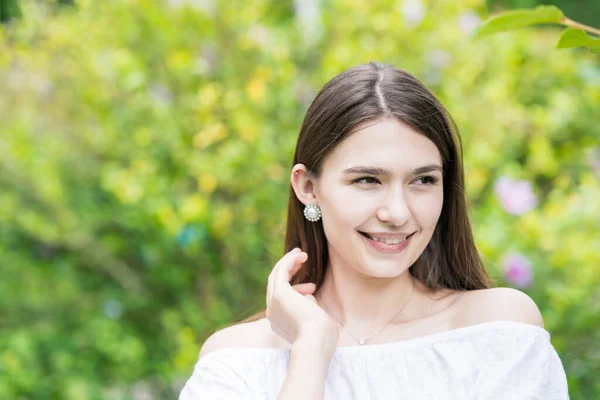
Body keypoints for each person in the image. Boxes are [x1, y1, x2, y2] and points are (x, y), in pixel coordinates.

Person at [179, 62, 570, 399]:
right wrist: (311, 349)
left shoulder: (498, 331)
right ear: (307, 187)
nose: (397, 212)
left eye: (423, 181)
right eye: (367, 180)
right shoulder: (237, 360)